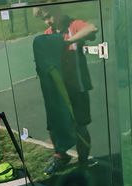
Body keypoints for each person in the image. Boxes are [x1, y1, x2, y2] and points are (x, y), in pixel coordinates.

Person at [33, 7, 98, 175]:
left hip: (78, 88)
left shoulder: (74, 25)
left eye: (48, 17)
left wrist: (67, 41)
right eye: (43, 20)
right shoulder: (49, 32)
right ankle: (61, 156)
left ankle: (83, 162)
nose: (47, 22)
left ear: (57, 10)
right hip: (58, 92)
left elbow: (92, 30)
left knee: (80, 127)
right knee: (55, 126)